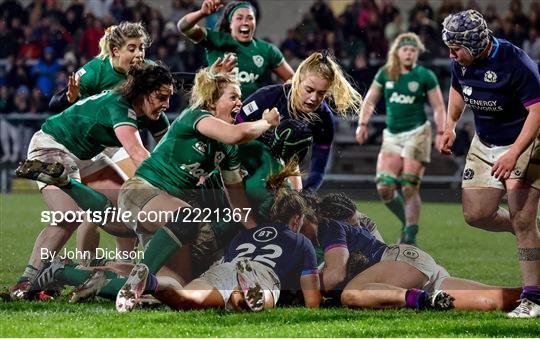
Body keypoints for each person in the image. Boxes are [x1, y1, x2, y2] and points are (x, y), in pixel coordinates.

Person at [11, 63, 174, 300]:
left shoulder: (153, 114)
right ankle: (26, 281)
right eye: (161, 97)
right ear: (142, 92)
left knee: (132, 209)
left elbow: (170, 152)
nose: (166, 104)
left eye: (169, 98)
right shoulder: (120, 105)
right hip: (53, 143)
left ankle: (95, 272)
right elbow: (138, 153)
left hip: (88, 156)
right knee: (70, 215)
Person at [439, 9, 540, 318]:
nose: (451, 54)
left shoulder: (515, 62)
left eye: (456, 48)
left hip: (526, 139)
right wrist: (450, 125)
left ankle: (534, 299)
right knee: (476, 213)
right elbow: (458, 90)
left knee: (522, 215)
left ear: (476, 42)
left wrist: (514, 154)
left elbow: (537, 112)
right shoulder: (461, 62)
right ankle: (530, 233)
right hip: (485, 142)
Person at [303, 193, 522, 313]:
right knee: (492, 300)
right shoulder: (356, 223)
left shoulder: (329, 227)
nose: (356, 228)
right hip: (409, 265)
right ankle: (531, 295)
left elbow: (335, 277)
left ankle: (420, 299)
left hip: (400, 264)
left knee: (352, 293)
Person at [116, 188, 321, 312]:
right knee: (255, 303)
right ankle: (246, 290)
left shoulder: (244, 234)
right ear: (296, 219)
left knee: (186, 299)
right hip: (261, 271)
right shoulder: (301, 241)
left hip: (228, 267)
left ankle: (150, 281)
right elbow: (312, 300)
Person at [355, 32, 446, 245]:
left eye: (413, 50)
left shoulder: (425, 75)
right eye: (405, 49)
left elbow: (439, 106)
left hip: (418, 133)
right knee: (385, 188)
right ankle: (408, 222)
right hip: (392, 135)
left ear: (417, 53)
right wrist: (362, 124)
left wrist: (441, 131)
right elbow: (369, 101)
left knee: (408, 186)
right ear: (397, 52)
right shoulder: (386, 73)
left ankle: (410, 235)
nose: (409, 53)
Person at [236, 51, 363, 191]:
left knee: (297, 207)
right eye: (309, 90)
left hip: (285, 169)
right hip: (245, 162)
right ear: (297, 81)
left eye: (321, 93)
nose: (314, 98)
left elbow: (318, 168)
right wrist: (264, 125)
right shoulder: (267, 98)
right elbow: (232, 131)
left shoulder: (324, 118)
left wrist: (308, 193)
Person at [177, 0, 294, 100]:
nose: (245, 22)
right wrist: (202, 13)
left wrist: (278, 97)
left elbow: (293, 80)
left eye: (250, 18)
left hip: (251, 116)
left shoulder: (267, 50)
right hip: (217, 112)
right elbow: (183, 27)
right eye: (239, 18)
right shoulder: (216, 39)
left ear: (255, 23)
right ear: (230, 24)